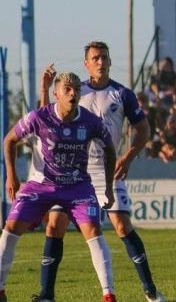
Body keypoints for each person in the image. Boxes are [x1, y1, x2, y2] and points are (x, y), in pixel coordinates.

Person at [38, 43, 165, 302]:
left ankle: (150, 289)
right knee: (54, 225)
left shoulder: (122, 94)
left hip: (108, 170)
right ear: (86, 63)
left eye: (104, 57)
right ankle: (46, 294)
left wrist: (128, 156)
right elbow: (47, 118)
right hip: (74, 172)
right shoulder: (76, 91)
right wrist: (45, 89)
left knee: (121, 226)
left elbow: (143, 130)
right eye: (95, 58)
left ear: (109, 61)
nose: (100, 62)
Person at [1, 72, 117, 302]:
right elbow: (9, 140)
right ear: (57, 94)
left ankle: (109, 294)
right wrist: (11, 176)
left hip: (78, 187)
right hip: (42, 185)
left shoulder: (91, 121)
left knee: (93, 231)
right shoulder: (39, 117)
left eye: (76, 88)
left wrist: (109, 187)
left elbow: (110, 149)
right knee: (11, 226)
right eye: (67, 89)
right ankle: (1, 289)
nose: (73, 93)